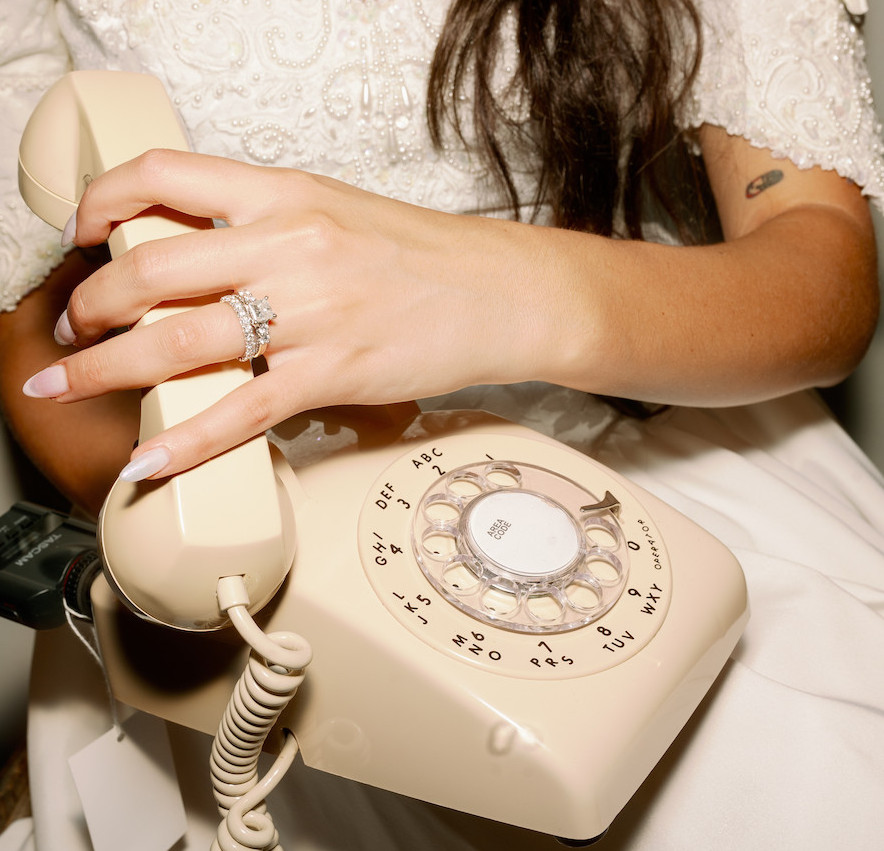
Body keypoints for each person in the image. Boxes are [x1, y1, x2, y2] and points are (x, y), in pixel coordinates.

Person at [1, 1, 883, 849]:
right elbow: (33, 328)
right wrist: (203, 533)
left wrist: (496, 293)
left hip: (649, 427)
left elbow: (821, 267)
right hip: (260, 487)